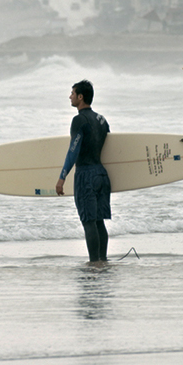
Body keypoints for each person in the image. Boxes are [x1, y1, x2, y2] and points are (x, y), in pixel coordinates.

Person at [56, 80, 111, 262]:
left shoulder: (79, 120)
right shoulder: (101, 120)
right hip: (102, 175)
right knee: (99, 221)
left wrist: (62, 177)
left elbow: (73, 150)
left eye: (72, 93)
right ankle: (102, 260)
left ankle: (94, 263)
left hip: (86, 175)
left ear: (81, 97)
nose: (70, 96)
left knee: (88, 222)